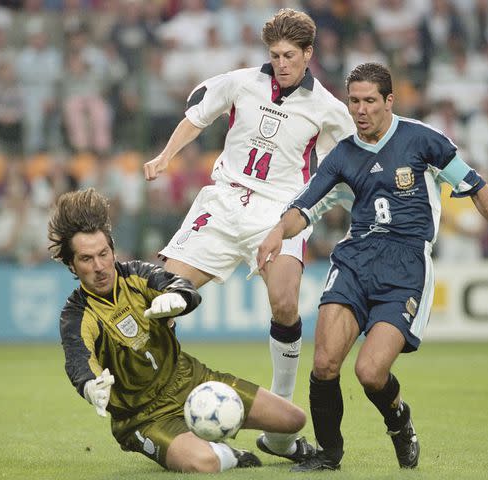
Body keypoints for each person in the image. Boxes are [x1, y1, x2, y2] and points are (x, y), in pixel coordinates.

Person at [257, 62, 488, 472]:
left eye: (369, 101)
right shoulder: (342, 153)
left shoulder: (422, 140)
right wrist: (276, 233)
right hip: (355, 258)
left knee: (370, 372)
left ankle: (399, 419)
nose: (360, 110)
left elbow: (477, 188)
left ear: (389, 101)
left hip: (406, 263)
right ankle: (328, 454)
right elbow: (303, 208)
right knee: (324, 363)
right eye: (353, 101)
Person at [143, 8, 355, 461]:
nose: (281, 63)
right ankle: (158, 408)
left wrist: (331, 206)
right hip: (223, 202)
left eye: (289, 55)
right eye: (275, 55)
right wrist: (165, 157)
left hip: (279, 212)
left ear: (308, 55)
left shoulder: (329, 109)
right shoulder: (240, 82)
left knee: (284, 302)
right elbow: (197, 118)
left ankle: (279, 430)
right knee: (159, 300)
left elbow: (350, 164)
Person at [48, 188, 311, 473]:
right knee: (204, 463)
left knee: (293, 419)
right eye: (87, 259)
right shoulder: (77, 315)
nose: (99, 266)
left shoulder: (137, 274)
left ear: (113, 249)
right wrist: (89, 384)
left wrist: (179, 297)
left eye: (103, 254)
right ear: (71, 264)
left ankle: (276, 445)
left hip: (192, 381)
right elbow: (78, 359)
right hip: (143, 417)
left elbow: (178, 285)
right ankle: (229, 454)